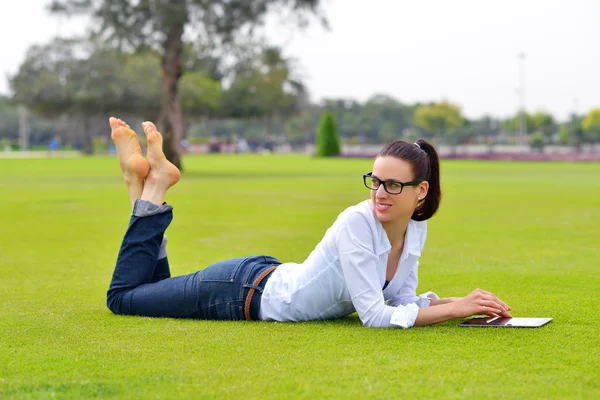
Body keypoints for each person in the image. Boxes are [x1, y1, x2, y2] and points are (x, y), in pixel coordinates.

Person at [106, 117, 512, 328]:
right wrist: (453, 309)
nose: (380, 193)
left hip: (262, 277)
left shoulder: (414, 229)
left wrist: (459, 305)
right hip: (239, 292)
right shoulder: (357, 222)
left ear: (420, 192)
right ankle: (150, 185)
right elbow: (374, 315)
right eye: (375, 181)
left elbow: (401, 303)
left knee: (149, 290)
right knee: (123, 298)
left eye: (393, 184)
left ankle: (144, 185)